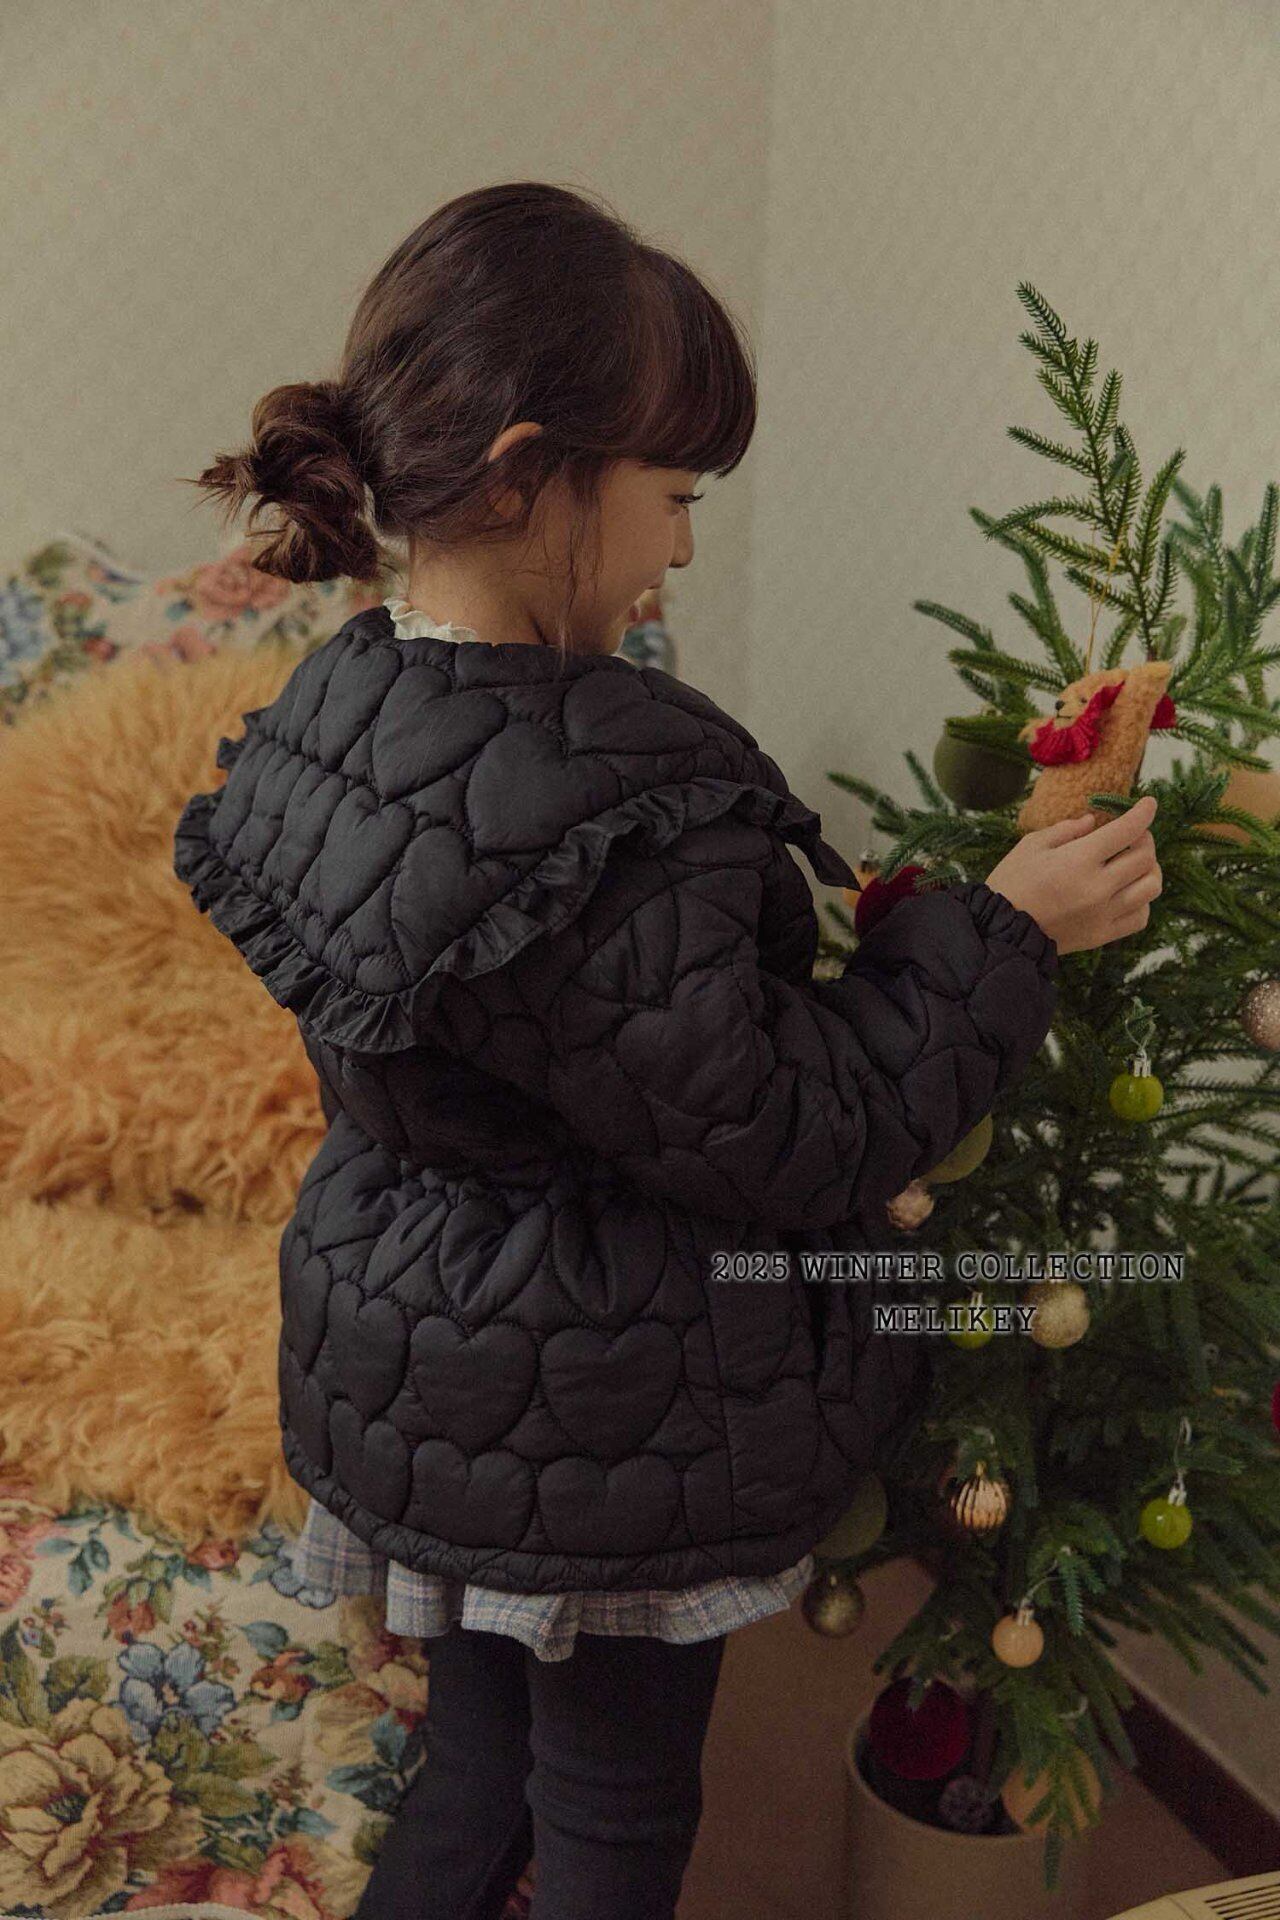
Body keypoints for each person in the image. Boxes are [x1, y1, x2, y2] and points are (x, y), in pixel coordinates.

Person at [173, 180, 1162, 1920]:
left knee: (475, 1771)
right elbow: (794, 1131)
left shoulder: (339, 707)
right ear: (525, 473)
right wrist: (1003, 931)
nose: (685, 550)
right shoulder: (611, 805)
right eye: (678, 494)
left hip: (414, 1364)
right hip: (606, 1405)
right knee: (614, 1813)